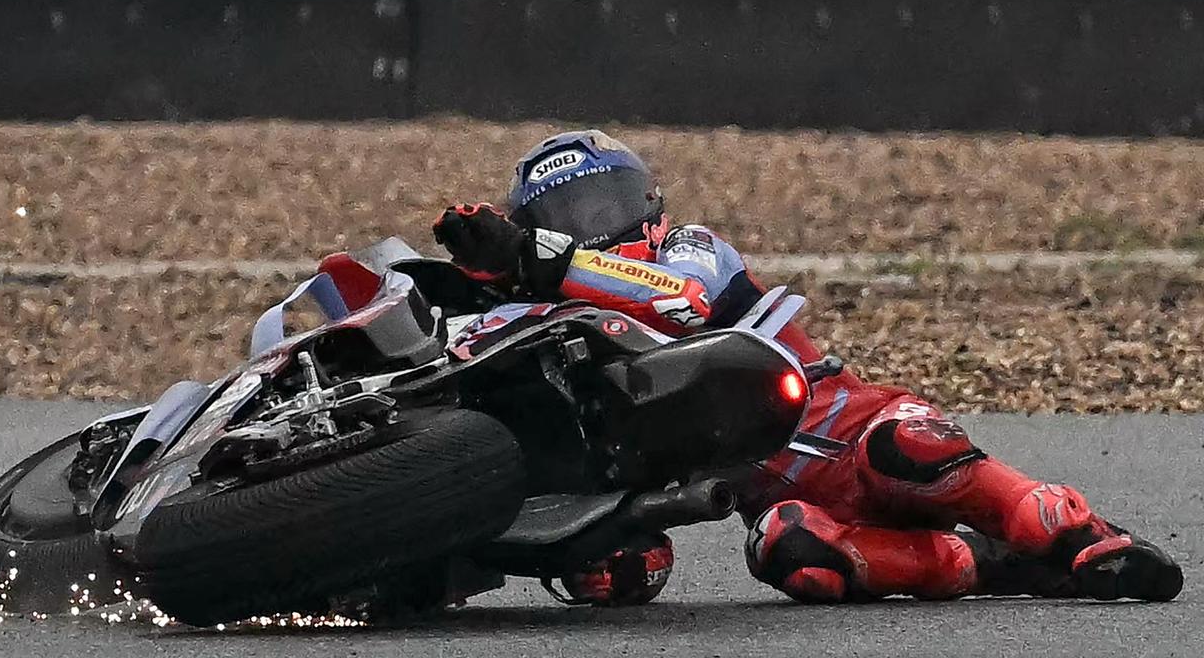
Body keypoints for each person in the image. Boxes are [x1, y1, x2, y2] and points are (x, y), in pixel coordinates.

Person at [429, 129, 1184, 607]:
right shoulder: (553, 316)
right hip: (785, 498)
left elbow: (681, 304)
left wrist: (542, 257)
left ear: (648, 205)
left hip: (857, 432)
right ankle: (985, 566)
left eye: (604, 205)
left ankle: (1079, 537)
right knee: (792, 555)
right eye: (564, 217)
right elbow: (639, 549)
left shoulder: (688, 249)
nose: (592, 227)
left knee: (908, 450)